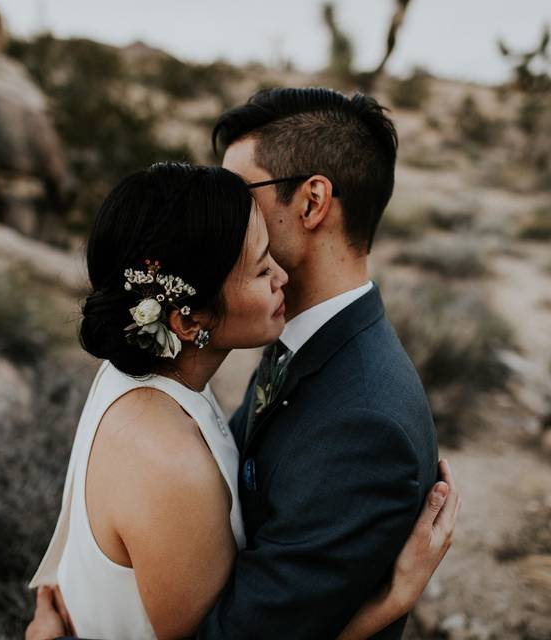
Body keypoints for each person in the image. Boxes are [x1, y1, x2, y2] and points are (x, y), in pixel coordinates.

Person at [29, 87, 456, 640]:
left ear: (311, 203)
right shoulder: (287, 339)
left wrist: (392, 604)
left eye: (239, 188)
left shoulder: (365, 424)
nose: (222, 208)